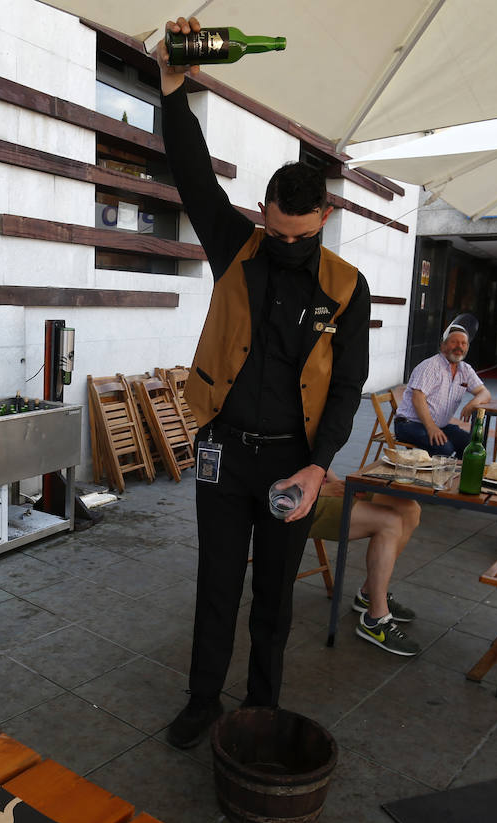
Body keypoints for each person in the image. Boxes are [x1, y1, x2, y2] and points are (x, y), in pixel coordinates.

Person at [156, 18, 370, 749]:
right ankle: (201, 700)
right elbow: (190, 176)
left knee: (273, 597)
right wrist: (173, 88)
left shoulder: (347, 286)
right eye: (274, 231)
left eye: (298, 237)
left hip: (291, 462)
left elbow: (349, 386)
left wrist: (319, 468)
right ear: (263, 215)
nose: (283, 246)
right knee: (216, 584)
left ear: (325, 218)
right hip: (223, 452)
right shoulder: (237, 247)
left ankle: (262, 706)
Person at [312, 471, 423, 656]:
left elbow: (316, 455)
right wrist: (320, 490)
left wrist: (339, 482)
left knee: (409, 508)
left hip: (317, 486)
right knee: (389, 521)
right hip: (292, 499)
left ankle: (369, 593)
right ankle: (375, 620)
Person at [394, 320, 491, 457]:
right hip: (410, 424)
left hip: (441, 426)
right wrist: (431, 427)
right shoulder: (431, 366)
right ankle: (435, 476)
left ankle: (456, 476)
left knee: (471, 445)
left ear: (467, 347)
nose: (459, 347)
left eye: (463, 343)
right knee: (444, 449)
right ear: (443, 345)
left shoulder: (465, 369)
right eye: (454, 342)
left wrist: (473, 403)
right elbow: (418, 398)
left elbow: (484, 393)